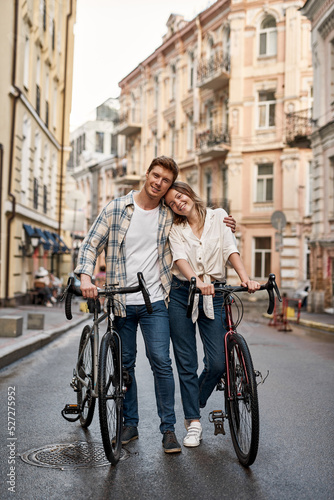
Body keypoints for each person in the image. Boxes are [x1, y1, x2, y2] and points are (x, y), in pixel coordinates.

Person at [75, 156, 236, 453]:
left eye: (165, 180)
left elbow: (200, 223)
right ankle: (130, 424)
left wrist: (225, 222)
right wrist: (86, 277)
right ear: (146, 173)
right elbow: (89, 245)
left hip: (156, 302)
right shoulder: (116, 208)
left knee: (162, 363)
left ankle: (169, 430)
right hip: (121, 300)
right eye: (156, 176)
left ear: (168, 186)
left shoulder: (169, 214)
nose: (158, 183)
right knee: (125, 365)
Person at [164, 181, 260, 448]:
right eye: (172, 203)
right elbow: (179, 259)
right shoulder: (176, 229)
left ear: (190, 193)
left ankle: (194, 401)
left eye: (179, 196)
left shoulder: (219, 217)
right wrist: (196, 280)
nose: (177, 203)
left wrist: (246, 278)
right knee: (186, 362)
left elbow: (230, 249)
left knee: (218, 363)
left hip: (215, 293)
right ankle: (193, 423)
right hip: (183, 293)